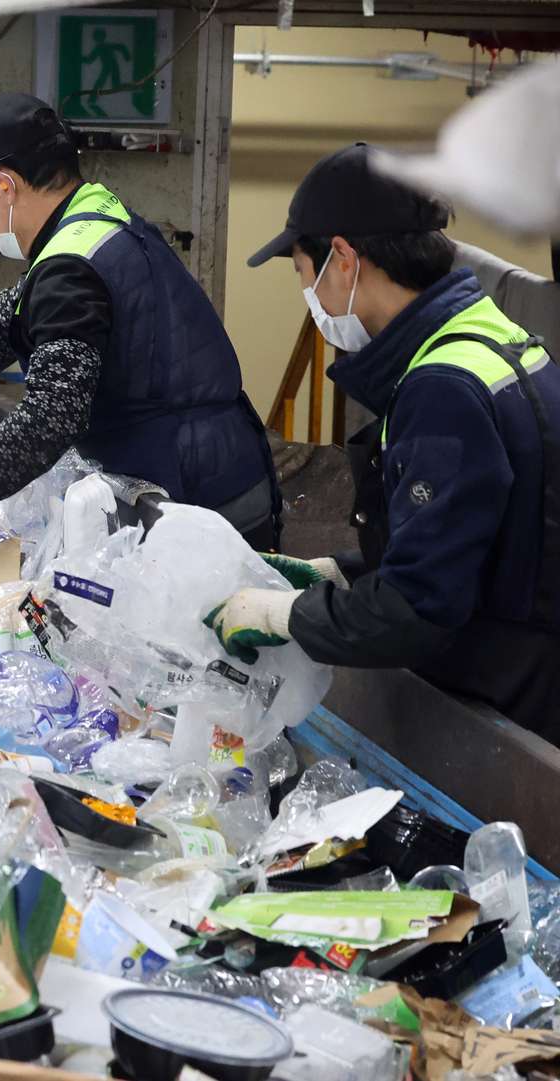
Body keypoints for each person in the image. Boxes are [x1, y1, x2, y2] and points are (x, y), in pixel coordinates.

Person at [208, 143, 560, 737]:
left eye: (303, 273)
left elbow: (419, 609)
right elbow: (473, 540)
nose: (312, 300)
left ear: (343, 258)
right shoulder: (493, 337)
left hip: (517, 701)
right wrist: (339, 572)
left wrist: (283, 613)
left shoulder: (442, 390)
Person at [0, 93, 281, 547]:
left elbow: (50, 418)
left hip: (197, 504)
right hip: (220, 471)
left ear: (1, 185)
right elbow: (6, 322)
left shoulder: (70, 265)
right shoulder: (93, 218)